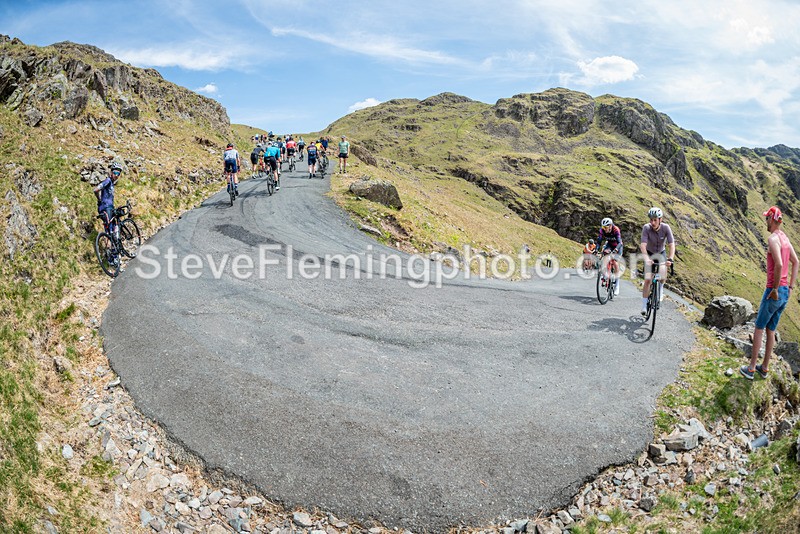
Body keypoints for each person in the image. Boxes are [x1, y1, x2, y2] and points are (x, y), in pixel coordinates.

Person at [741, 206, 799, 380]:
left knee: (759, 328)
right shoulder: (785, 238)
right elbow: (796, 262)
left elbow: (779, 264)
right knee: (771, 329)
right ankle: (764, 368)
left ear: (772, 219)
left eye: (767, 218)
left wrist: (774, 289)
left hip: (774, 290)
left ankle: (751, 369)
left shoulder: (773, 239)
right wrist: (790, 287)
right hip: (785, 292)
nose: (765, 221)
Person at [640, 207, 675, 315]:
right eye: (651, 220)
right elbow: (643, 245)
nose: (653, 222)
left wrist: (670, 258)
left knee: (663, 272)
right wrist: (646, 258)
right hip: (649, 253)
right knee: (647, 280)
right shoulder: (646, 228)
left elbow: (671, 245)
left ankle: (660, 288)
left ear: (660, 219)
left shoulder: (666, 228)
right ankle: (644, 306)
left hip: (661, 253)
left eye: (655, 220)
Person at [94, 162, 123, 264]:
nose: (117, 175)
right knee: (110, 231)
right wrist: (100, 200)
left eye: (118, 174)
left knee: (111, 229)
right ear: (111, 172)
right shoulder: (108, 181)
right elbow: (96, 190)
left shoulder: (111, 184)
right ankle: (112, 257)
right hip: (106, 209)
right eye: (115, 172)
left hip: (109, 208)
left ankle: (113, 254)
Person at [598, 217, 623, 295]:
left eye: (605, 227)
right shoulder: (602, 230)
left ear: (610, 226)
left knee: (615, 262)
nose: (604, 229)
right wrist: (596, 249)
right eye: (603, 227)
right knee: (605, 256)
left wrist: (616, 250)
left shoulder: (616, 229)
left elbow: (620, 243)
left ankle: (617, 285)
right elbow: (599, 241)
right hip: (609, 245)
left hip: (618, 246)